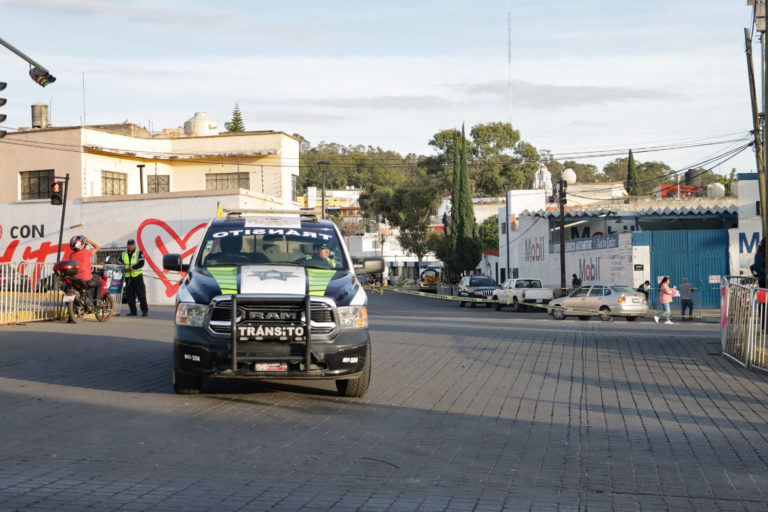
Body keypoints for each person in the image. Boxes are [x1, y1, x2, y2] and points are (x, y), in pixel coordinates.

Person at [68, 234, 101, 304]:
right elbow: (97, 248)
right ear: (82, 245)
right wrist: (88, 240)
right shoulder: (86, 253)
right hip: (86, 279)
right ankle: (97, 301)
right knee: (99, 284)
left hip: (75, 280)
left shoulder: (71, 255)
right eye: (85, 244)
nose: (86, 246)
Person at [121, 239, 148, 317]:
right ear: (127, 245)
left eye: (132, 244)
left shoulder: (139, 253)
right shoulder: (123, 254)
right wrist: (123, 269)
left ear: (134, 245)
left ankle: (144, 311)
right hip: (128, 277)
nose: (130, 245)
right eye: (129, 244)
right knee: (130, 296)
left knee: (141, 294)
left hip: (137, 276)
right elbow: (119, 263)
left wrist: (132, 268)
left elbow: (141, 263)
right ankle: (133, 311)